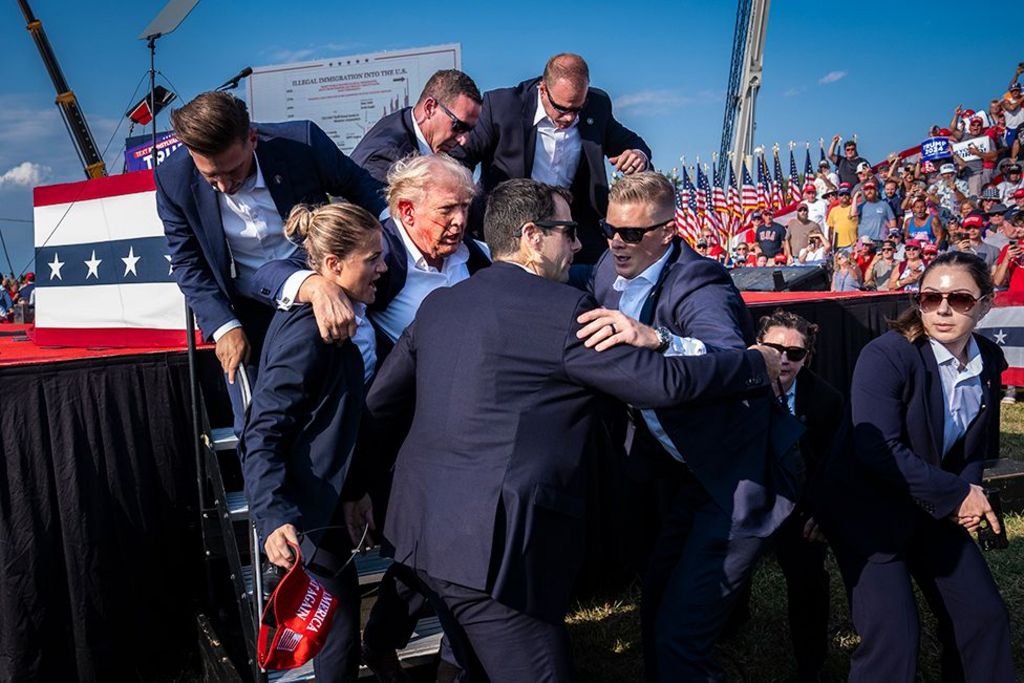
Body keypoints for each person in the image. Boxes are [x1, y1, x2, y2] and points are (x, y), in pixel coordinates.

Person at [363, 178, 782, 682]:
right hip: (490, 550)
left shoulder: (439, 305)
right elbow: (662, 383)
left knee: (473, 664)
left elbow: (380, 406)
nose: (582, 245)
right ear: (532, 237)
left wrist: (354, 490)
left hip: (418, 533)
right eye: (569, 231)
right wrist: (755, 363)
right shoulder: (565, 312)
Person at [572, 172, 801, 681]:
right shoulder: (609, 268)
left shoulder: (700, 284)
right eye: (609, 229)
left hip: (733, 481)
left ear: (667, 233)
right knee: (658, 609)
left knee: (680, 637)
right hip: (680, 476)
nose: (616, 242)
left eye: (631, 233)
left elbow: (731, 358)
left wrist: (658, 338)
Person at [816, 251, 1014, 682]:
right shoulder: (886, 354)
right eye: (930, 298)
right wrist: (957, 494)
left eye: (960, 299)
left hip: (932, 506)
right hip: (867, 511)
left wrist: (966, 496)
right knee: (894, 640)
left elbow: (972, 447)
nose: (943, 309)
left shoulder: (988, 359)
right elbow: (877, 449)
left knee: (984, 618)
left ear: (985, 305)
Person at [156, 91, 385, 433]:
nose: (225, 186)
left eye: (233, 171)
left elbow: (365, 191)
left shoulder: (302, 142)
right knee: (255, 426)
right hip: (247, 312)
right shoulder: (171, 179)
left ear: (252, 138)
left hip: (327, 293)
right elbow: (188, 264)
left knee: (341, 409)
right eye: (211, 177)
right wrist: (224, 327)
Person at [239, 203, 386, 682]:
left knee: (341, 630)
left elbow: (335, 420)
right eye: (373, 259)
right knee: (336, 640)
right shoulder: (309, 333)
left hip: (328, 501)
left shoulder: (346, 314)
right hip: (305, 515)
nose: (383, 268)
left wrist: (353, 490)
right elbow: (263, 432)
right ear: (333, 266)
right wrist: (273, 517)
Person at [452, 53, 651, 263]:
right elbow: (460, 158)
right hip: (510, 229)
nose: (570, 117)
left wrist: (638, 156)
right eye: (562, 109)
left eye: (577, 109)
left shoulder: (597, 106)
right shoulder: (501, 106)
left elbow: (632, 143)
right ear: (543, 89)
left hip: (573, 229)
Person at [754, 310, 843, 683]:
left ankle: (811, 663)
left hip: (800, 505)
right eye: (774, 349)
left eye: (795, 353)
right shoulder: (733, 386)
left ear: (808, 357)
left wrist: (823, 513)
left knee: (808, 579)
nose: (784, 359)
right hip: (742, 499)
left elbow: (834, 465)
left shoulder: (826, 401)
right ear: (757, 346)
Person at [351, 70, 482, 182]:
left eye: (470, 130)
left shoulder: (407, 124)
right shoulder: (386, 160)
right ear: (430, 108)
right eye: (458, 126)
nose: (463, 140)